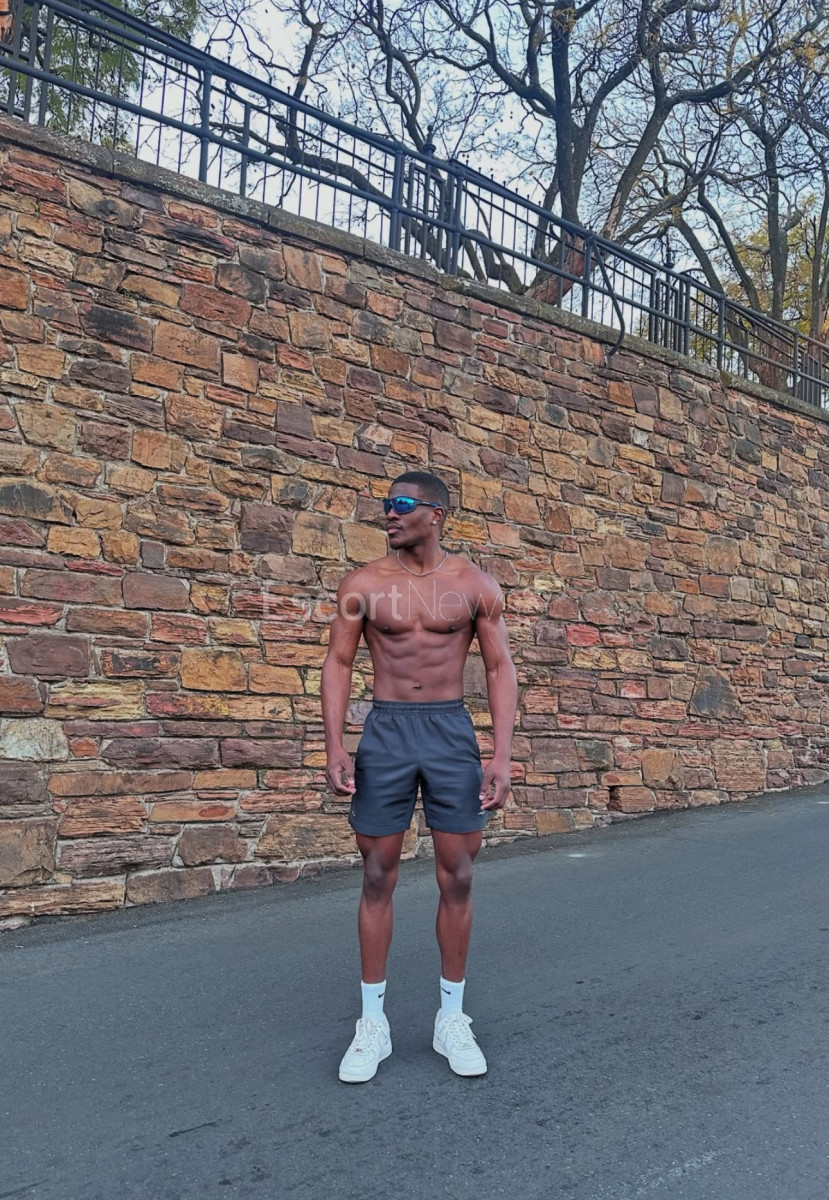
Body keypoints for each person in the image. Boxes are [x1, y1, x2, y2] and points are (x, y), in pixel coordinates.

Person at [321, 470, 518, 1083]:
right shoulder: (362, 585)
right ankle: (372, 1024)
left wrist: (501, 754)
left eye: (402, 504)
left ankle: (450, 1018)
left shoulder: (475, 585)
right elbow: (338, 661)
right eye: (386, 504)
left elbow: (500, 667)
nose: (390, 513)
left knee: (458, 874)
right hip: (386, 731)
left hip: (449, 731)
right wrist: (335, 744)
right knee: (377, 872)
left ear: (436, 514)